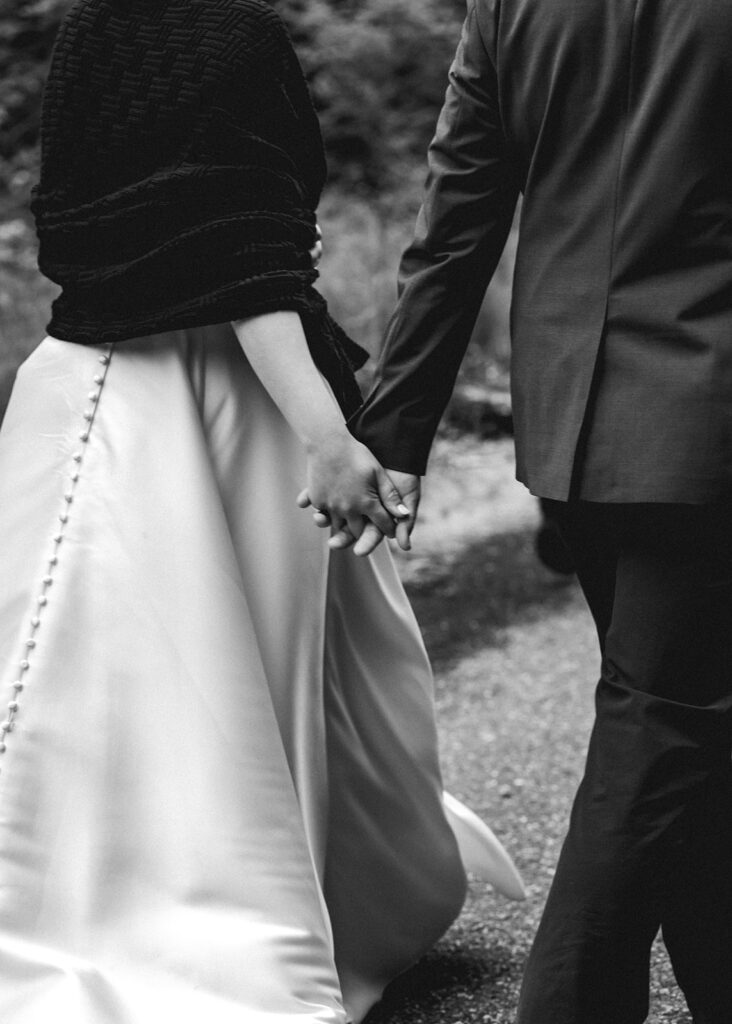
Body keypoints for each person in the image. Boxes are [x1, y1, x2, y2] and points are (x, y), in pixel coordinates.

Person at [0, 2, 526, 1022]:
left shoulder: (91, 30)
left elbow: (92, 218)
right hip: (212, 404)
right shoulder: (228, 32)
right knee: (204, 677)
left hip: (88, 381)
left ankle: (149, 902)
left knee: (119, 684)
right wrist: (327, 434)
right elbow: (245, 253)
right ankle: (207, 933)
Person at [344, 1, 732, 1022]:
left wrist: (396, 435)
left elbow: (458, 217)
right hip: (705, 423)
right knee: (666, 730)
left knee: (681, 727)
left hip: (572, 423)